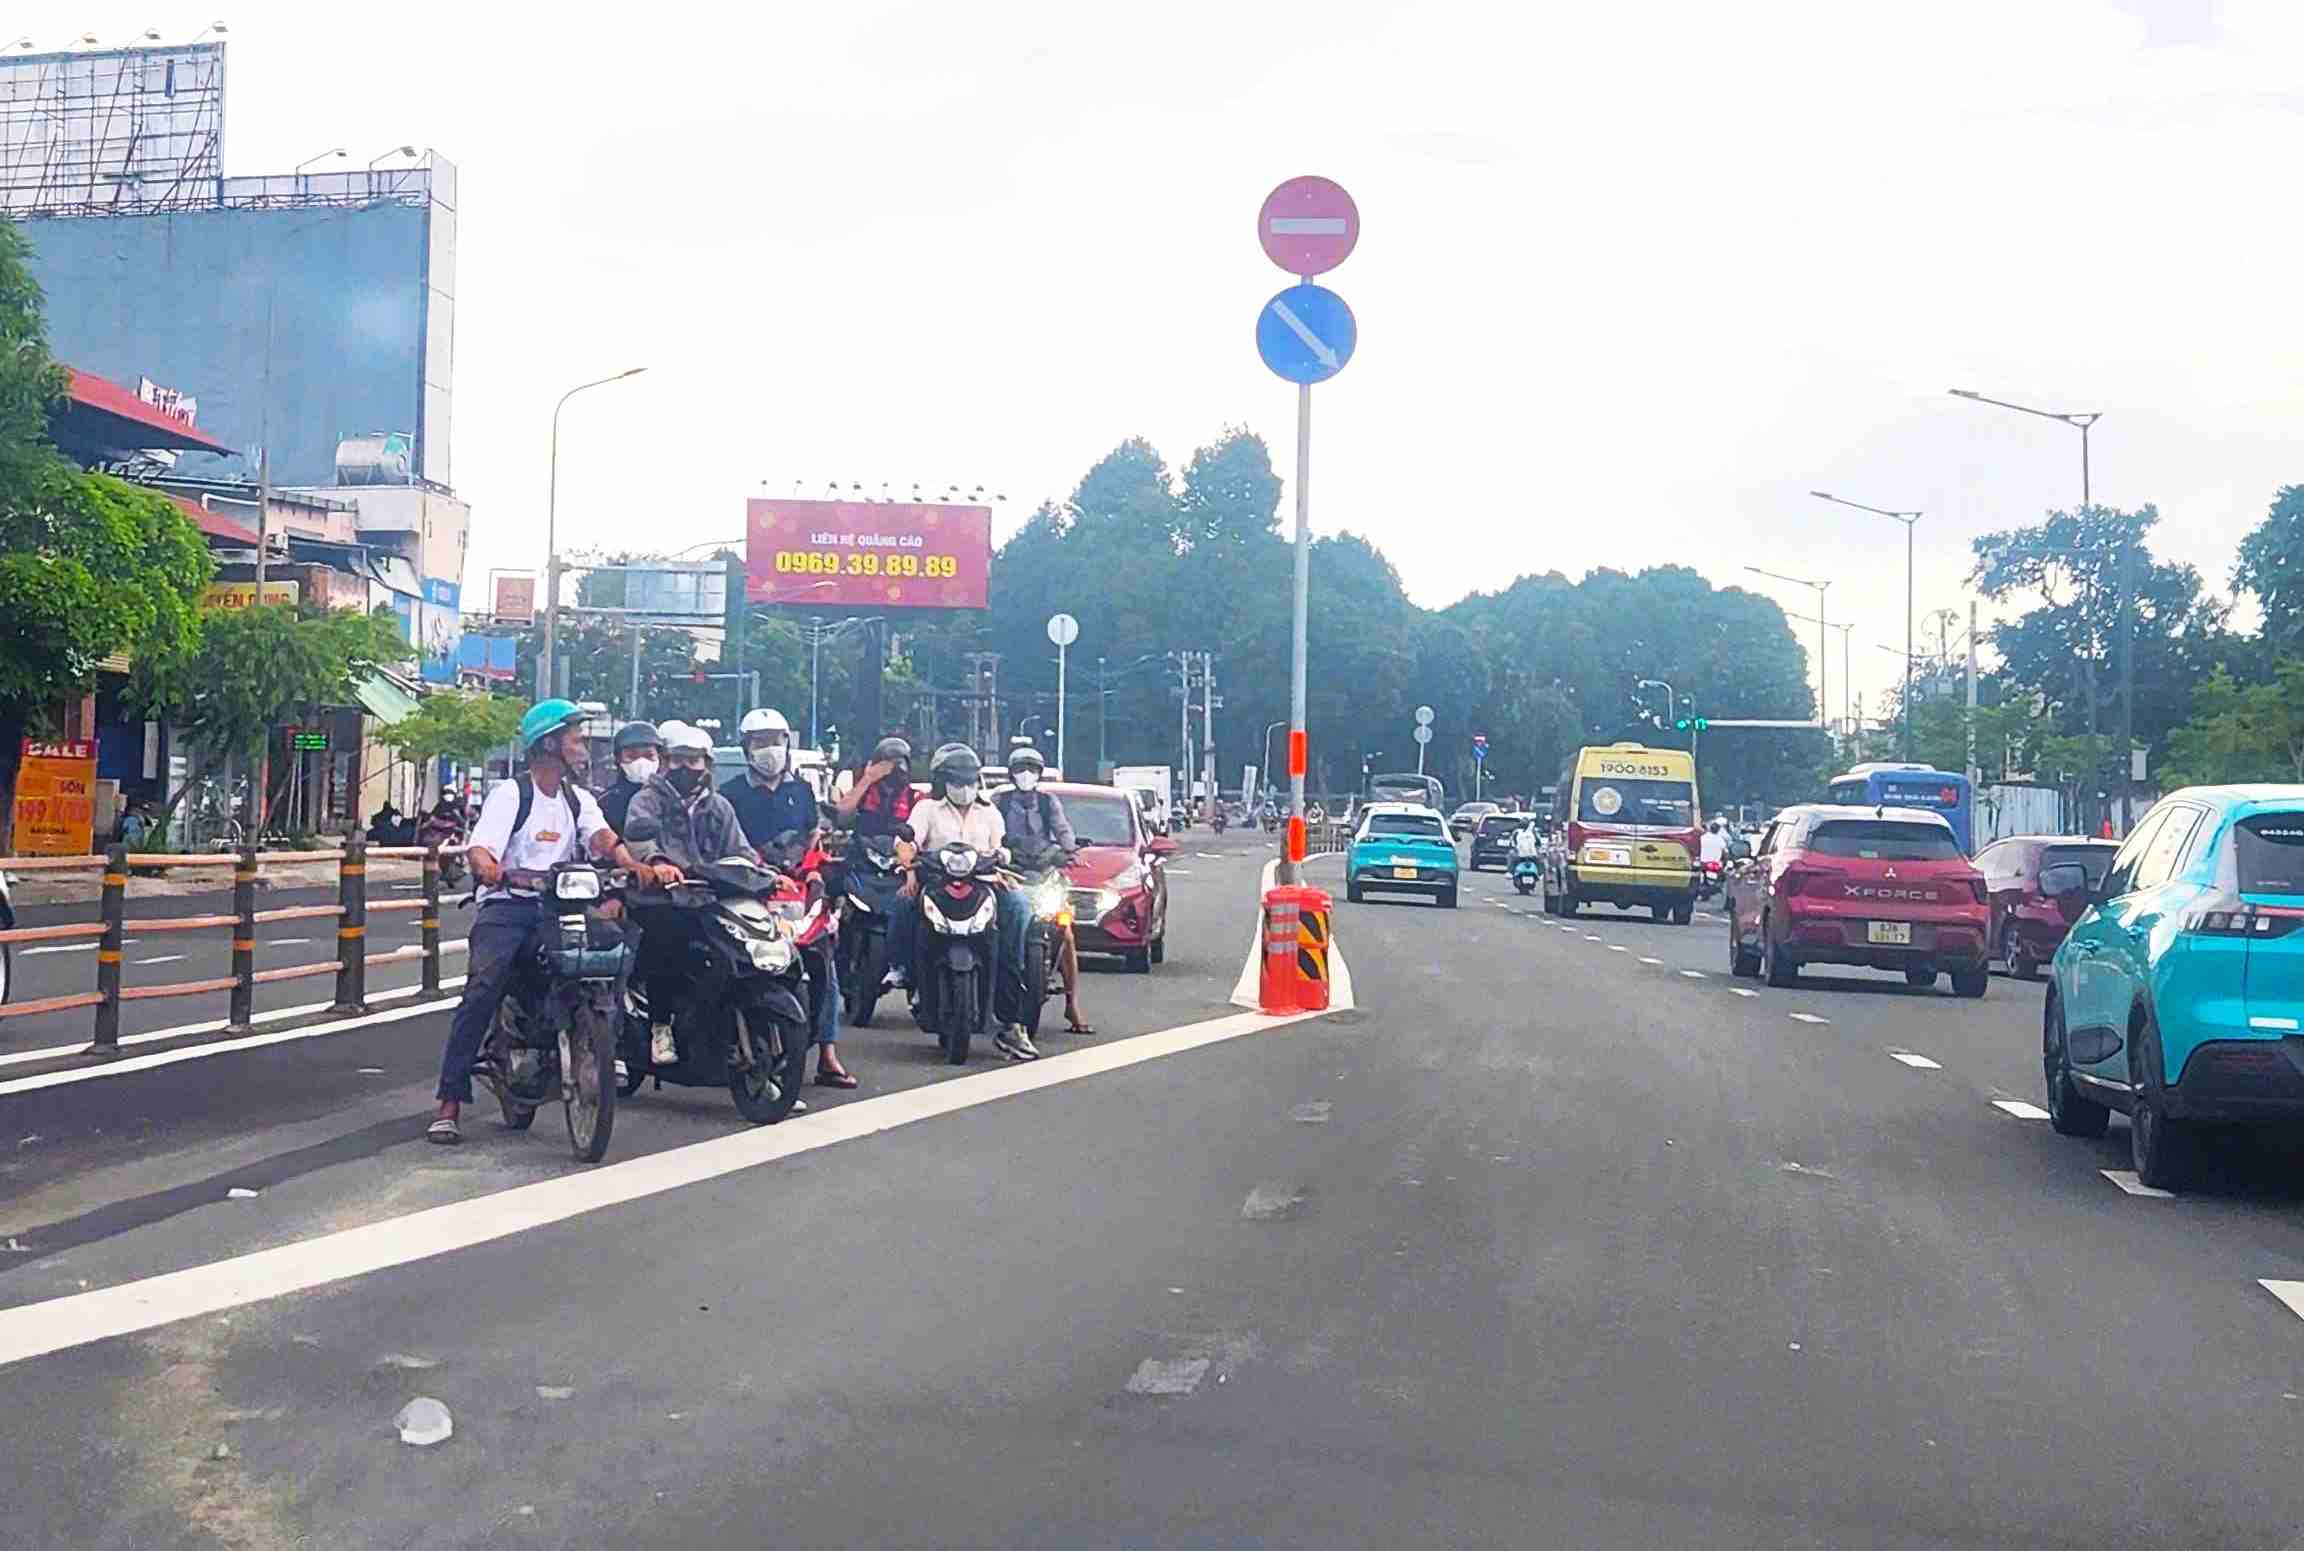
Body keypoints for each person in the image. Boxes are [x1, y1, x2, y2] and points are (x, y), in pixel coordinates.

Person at [429, 699, 681, 1145]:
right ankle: (449, 1102)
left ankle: (604, 1042)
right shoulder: (512, 794)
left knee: (608, 956)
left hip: (559, 906)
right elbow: (481, 848)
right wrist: (489, 867)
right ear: (549, 743)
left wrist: (634, 864)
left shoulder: (577, 798)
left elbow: (603, 838)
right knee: (484, 986)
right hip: (509, 906)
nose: (583, 747)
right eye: (576, 738)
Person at [720, 706, 855, 1089]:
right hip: (753, 893)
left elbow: (814, 837)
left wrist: (812, 869)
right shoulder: (730, 795)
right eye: (760, 742)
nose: (769, 749)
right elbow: (730, 847)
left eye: (776, 741)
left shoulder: (801, 791)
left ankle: (827, 1054)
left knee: (825, 964)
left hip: (799, 894)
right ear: (746, 747)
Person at [890, 743, 1037, 1061]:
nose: (965, 787)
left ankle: (1011, 1021)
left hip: (985, 884)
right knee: (901, 903)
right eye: (957, 781)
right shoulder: (927, 810)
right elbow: (906, 841)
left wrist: (1002, 863)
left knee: (1020, 907)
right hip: (937, 885)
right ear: (943, 782)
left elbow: (1003, 849)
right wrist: (910, 871)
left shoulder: (989, 813)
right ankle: (901, 967)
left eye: (970, 780)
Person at [622, 721, 757, 1068]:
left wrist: (767, 873)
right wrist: (658, 862)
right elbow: (638, 840)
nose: (686, 768)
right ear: (666, 762)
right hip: (661, 897)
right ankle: (661, 1025)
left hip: (711, 897)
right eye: (678, 760)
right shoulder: (646, 800)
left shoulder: (720, 807)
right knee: (666, 942)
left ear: (707, 765)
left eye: (693, 760)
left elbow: (740, 849)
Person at [993, 745, 1094, 1037]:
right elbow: (989, 832)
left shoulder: (1049, 803)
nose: (1026, 775)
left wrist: (1071, 852)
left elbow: (1063, 831)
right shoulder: (998, 802)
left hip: (1044, 875)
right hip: (1010, 875)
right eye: (1020, 769)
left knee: (1067, 933)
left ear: (1039, 774)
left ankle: (1072, 1004)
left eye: (1032, 769)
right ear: (1011, 774)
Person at [600, 720, 661, 835]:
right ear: (618, 759)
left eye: (649, 756)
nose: (641, 762)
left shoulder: (669, 799)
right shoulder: (606, 803)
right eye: (632, 756)